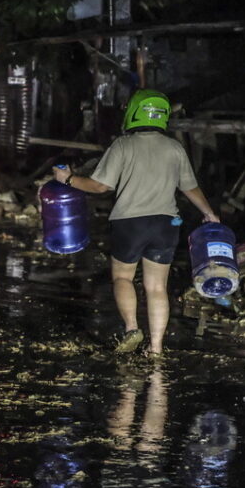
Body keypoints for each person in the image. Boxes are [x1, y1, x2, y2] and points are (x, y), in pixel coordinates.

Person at [53, 89, 218, 357]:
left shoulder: (122, 145)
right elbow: (190, 188)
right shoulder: (174, 148)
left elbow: (99, 186)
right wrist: (210, 213)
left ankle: (132, 329)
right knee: (156, 287)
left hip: (129, 224)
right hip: (166, 225)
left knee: (122, 277)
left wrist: (68, 180)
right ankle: (156, 348)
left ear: (133, 112)